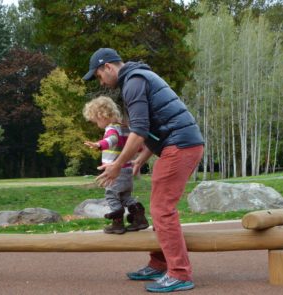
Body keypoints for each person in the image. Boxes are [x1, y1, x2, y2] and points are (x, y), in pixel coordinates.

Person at [83, 48, 204, 293]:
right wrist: (141, 158)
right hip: (179, 143)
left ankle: (179, 273)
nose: (101, 82)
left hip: (180, 145)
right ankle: (160, 263)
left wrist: (117, 166)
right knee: (159, 205)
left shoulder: (133, 82)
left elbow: (139, 131)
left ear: (108, 67)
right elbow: (151, 128)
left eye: (98, 76)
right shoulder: (137, 78)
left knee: (162, 208)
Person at [83, 95, 149, 234]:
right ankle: (140, 218)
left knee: (111, 195)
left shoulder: (111, 128)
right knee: (125, 196)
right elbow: (138, 146)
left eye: (95, 121)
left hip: (116, 172)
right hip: (127, 170)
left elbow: (112, 139)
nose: (96, 124)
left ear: (102, 116)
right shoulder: (126, 128)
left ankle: (117, 223)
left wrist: (99, 144)